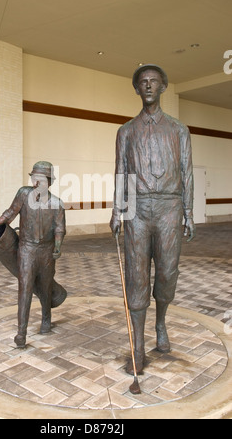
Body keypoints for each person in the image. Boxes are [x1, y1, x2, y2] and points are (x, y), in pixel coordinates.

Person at [110, 64, 195, 374]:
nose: (148, 86)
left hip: (170, 208)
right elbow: (121, 172)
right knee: (136, 275)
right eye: (142, 82)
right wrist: (118, 210)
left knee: (168, 273)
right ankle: (137, 346)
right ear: (136, 89)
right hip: (137, 207)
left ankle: (160, 321)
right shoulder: (126, 131)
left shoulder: (178, 130)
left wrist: (189, 211)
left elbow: (186, 171)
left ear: (163, 87)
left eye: (153, 82)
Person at [0, 161, 66, 348]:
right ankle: (21, 332)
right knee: (25, 288)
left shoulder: (57, 204)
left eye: (41, 179)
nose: (36, 183)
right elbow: (9, 214)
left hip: (46, 251)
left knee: (45, 287)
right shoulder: (23, 194)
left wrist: (58, 246)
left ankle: (46, 319)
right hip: (26, 249)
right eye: (34, 178)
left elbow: (60, 229)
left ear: (49, 181)